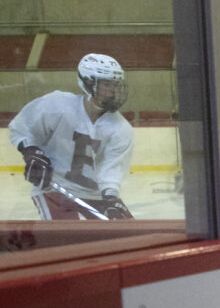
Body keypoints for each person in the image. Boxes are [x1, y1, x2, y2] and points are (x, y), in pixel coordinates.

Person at [8, 53, 134, 220]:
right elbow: (22, 128)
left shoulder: (121, 128)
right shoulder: (56, 105)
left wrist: (111, 198)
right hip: (54, 189)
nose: (113, 90)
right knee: (64, 238)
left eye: (116, 84)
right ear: (88, 84)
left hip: (95, 195)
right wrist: (31, 151)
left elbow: (111, 171)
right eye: (106, 84)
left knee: (127, 235)